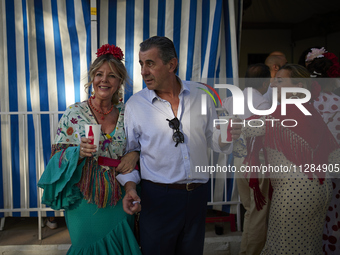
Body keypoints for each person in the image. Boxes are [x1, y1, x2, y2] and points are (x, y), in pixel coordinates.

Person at [120, 36, 236, 255]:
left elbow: (214, 141)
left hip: (198, 197)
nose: (143, 71)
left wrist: (228, 135)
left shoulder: (201, 97)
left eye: (150, 64)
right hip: (158, 199)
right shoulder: (136, 105)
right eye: (141, 64)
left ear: (171, 64)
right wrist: (130, 187)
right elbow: (129, 153)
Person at [38, 44, 142, 255]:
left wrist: (135, 153)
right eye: (99, 74)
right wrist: (77, 153)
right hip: (84, 196)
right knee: (85, 246)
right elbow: (55, 159)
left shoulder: (128, 112)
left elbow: (143, 144)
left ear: (119, 82)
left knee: (121, 246)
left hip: (121, 193)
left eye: (112, 76)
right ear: (92, 79)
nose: (104, 80)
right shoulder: (74, 112)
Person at [232, 64, 339, 254]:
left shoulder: (284, 112)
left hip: (293, 194)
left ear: (298, 86)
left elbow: (247, 128)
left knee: (283, 248)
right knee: (308, 248)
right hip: (321, 191)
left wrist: (227, 127)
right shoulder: (312, 113)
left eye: (280, 81)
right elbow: (334, 158)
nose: (273, 85)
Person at [223, 63, 271, 255]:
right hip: (257, 162)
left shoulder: (230, 100)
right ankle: (251, 252)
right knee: (258, 212)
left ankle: (246, 250)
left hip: (238, 160)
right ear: (266, 82)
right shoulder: (263, 104)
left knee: (250, 209)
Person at [306, 47, 340, 254]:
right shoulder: (338, 103)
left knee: (310, 217)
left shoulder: (306, 104)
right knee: (334, 214)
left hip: (310, 166)